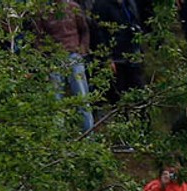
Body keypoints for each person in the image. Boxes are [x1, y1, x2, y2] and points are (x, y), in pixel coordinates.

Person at [30, 0, 95, 134]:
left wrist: (82, 50)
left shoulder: (73, 7)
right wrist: (43, 57)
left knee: (82, 98)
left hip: (73, 55)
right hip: (53, 57)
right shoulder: (43, 11)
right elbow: (38, 37)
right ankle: (58, 137)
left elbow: (84, 30)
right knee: (55, 101)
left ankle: (88, 135)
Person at [90, 0, 154, 106]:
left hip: (132, 53)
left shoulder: (129, 3)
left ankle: (143, 117)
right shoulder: (101, 5)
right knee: (119, 94)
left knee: (139, 90)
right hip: (115, 58)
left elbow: (137, 22)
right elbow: (98, 34)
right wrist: (107, 58)